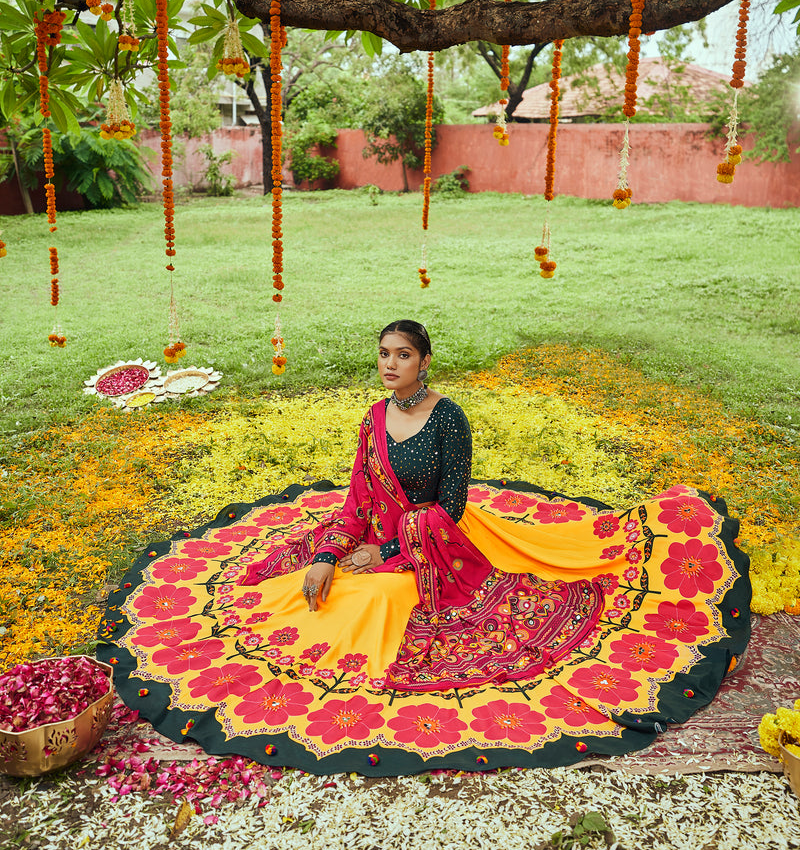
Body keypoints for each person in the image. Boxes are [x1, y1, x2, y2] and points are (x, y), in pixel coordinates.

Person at [100, 320, 750, 775]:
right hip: (383, 536)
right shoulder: (373, 417)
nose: (389, 364)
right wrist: (330, 553)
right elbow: (356, 500)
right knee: (299, 586)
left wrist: (383, 556)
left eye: (403, 354)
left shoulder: (447, 418)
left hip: (438, 546)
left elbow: (452, 508)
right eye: (383, 353)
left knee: (373, 602)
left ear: (425, 361)